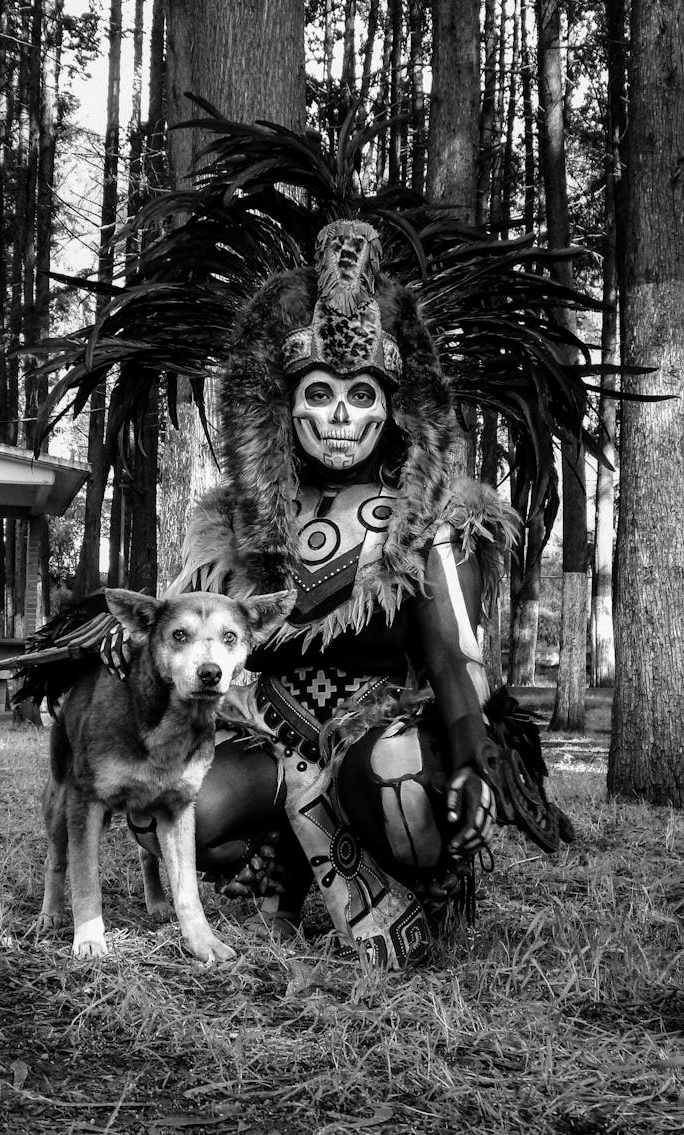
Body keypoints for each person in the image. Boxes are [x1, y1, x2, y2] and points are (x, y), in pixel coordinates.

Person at [121, 218, 569, 968]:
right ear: (283, 407)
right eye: (319, 391)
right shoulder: (231, 525)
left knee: (400, 786)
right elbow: (176, 624)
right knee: (174, 800)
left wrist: (470, 750)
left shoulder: (431, 513)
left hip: (376, 731)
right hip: (269, 735)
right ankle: (284, 851)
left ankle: (408, 872)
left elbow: (457, 657)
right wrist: (125, 640)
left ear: (393, 408)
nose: (338, 414)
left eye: (360, 394)